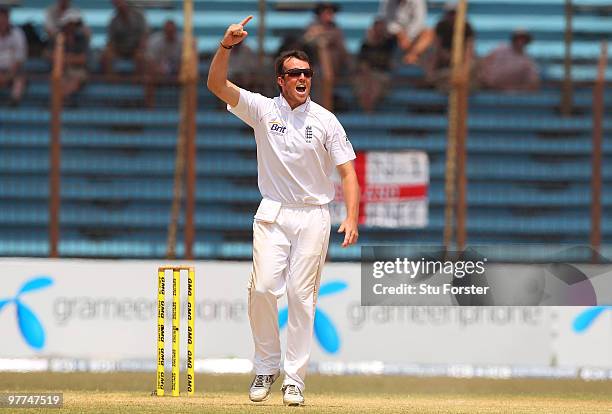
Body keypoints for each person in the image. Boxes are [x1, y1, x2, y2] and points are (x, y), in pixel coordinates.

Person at [207, 16, 359, 407]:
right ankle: (265, 366)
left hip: (313, 214)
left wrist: (352, 217)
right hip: (273, 212)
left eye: (307, 73)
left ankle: (294, 379)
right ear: (281, 79)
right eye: (294, 73)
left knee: (300, 296)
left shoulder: (325, 120)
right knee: (261, 289)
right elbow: (216, 85)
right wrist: (225, 47)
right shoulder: (262, 110)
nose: (302, 78)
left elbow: (347, 172)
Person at [422, 2, 476, 89]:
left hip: (460, 60)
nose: (453, 16)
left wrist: (458, 59)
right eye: (451, 13)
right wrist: (446, 56)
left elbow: (469, 50)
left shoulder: (467, 27)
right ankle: (433, 78)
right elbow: (437, 46)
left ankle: (438, 79)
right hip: (443, 58)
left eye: (455, 13)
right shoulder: (441, 25)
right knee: (430, 56)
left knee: (472, 64)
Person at [45, 9, 89, 103]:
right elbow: (48, 55)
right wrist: (70, 58)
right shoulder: (57, 38)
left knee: (76, 78)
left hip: (76, 71)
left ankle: (57, 101)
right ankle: (61, 101)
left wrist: (62, 58)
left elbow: (83, 59)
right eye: (69, 23)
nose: (71, 27)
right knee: (57, 78)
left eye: (74, 24)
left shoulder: (81, 39)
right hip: (61, 71)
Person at [353, 18, 396, 112]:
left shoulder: (390, 44)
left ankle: (369, 115)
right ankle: (367, 115)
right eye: (377, 29)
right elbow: (362, 65)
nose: (379, 32)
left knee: (374, 86)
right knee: (365, 86)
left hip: (381, 75)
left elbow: (390, 63)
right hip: (367, 76)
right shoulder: (366, 46)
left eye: (382, 29)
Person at [100, 0, 147, 76]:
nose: (119, 5)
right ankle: (112, 82)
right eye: (116, 3)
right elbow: (111, 40)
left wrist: (140, 47)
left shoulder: (138, 16)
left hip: (136, 48)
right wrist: (109, 48)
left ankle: (137, 82)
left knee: (140, 56)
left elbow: (144, 34)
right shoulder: (113, 20)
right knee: (106, 55)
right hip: (119, 49)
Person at [378, 0, 434, 64]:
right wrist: (399, 33)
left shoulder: (419, 1)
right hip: (393, 34)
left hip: (413, 34)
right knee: (379, 27)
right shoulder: (387, 2)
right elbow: (386, 21)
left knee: (429, 33)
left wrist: (407, 36)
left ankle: (412, 55)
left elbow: (419, 22)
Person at [144, 19, 182, 107]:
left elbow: (185, 62)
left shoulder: (182, 43)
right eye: (168, 31)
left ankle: (184, 109)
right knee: (148, 79)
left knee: (188, 80)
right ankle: (150, 108)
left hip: (176, 73)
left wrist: (177, 71)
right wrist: (158, 70)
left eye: (172, 31)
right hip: (158, 73)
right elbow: (150, 61)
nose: (170, 33)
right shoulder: (155, 41)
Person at [0, 7, 27, 106]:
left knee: (20, 78)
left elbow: (20, 58)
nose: (1, 21)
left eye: (3, 18)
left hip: (13, 71)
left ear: (8, 19)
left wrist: (7, 75)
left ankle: (14, 102)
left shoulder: (17, 33)